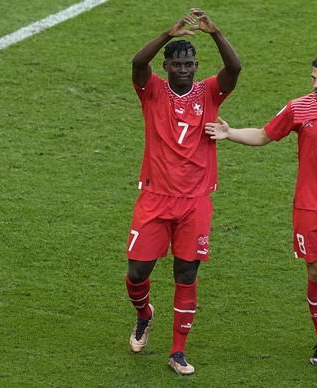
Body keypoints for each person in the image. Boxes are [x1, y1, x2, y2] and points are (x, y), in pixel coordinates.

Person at [205, 52, 317, 372]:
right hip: (308, 208)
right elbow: (264, 135)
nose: (315, 85)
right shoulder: (298, 108)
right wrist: (230, 133)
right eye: (313, 78)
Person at [124, 8, 241, 375]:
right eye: (177, 63)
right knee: (137, 273)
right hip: (155, 198)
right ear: (166, 67)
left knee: (186, 275)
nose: (185, 69)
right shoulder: (152, 91)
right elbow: (136, 62)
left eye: (189, 63)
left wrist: (215, 32)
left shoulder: (208, 92)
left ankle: (177, 352)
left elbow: (234, 69)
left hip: (194, 203)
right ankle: (144, 314)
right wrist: (166, 33)